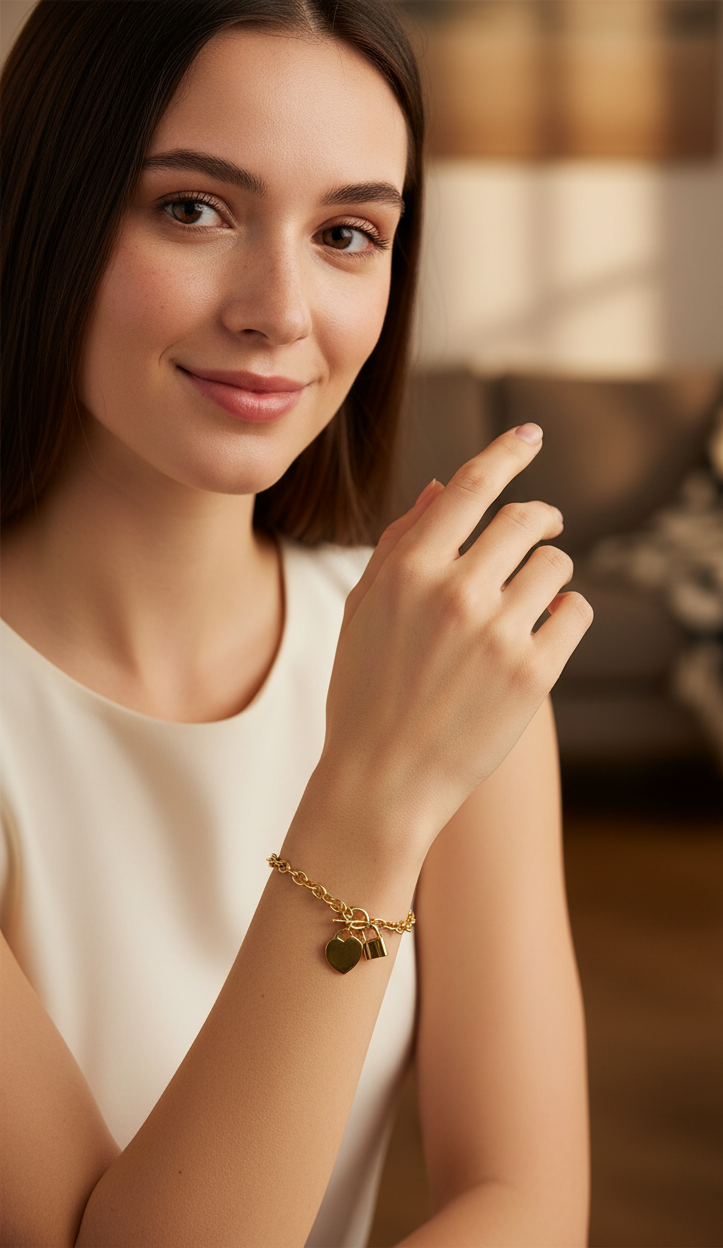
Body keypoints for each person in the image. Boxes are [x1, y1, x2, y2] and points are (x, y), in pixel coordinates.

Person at [0, 1, 593, 1244]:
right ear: (42, 205)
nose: (280, 309)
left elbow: (525, 1198)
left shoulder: (443, 663)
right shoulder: (413, 703)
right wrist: (370, 805)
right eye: (192, 208)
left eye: (345, 232)